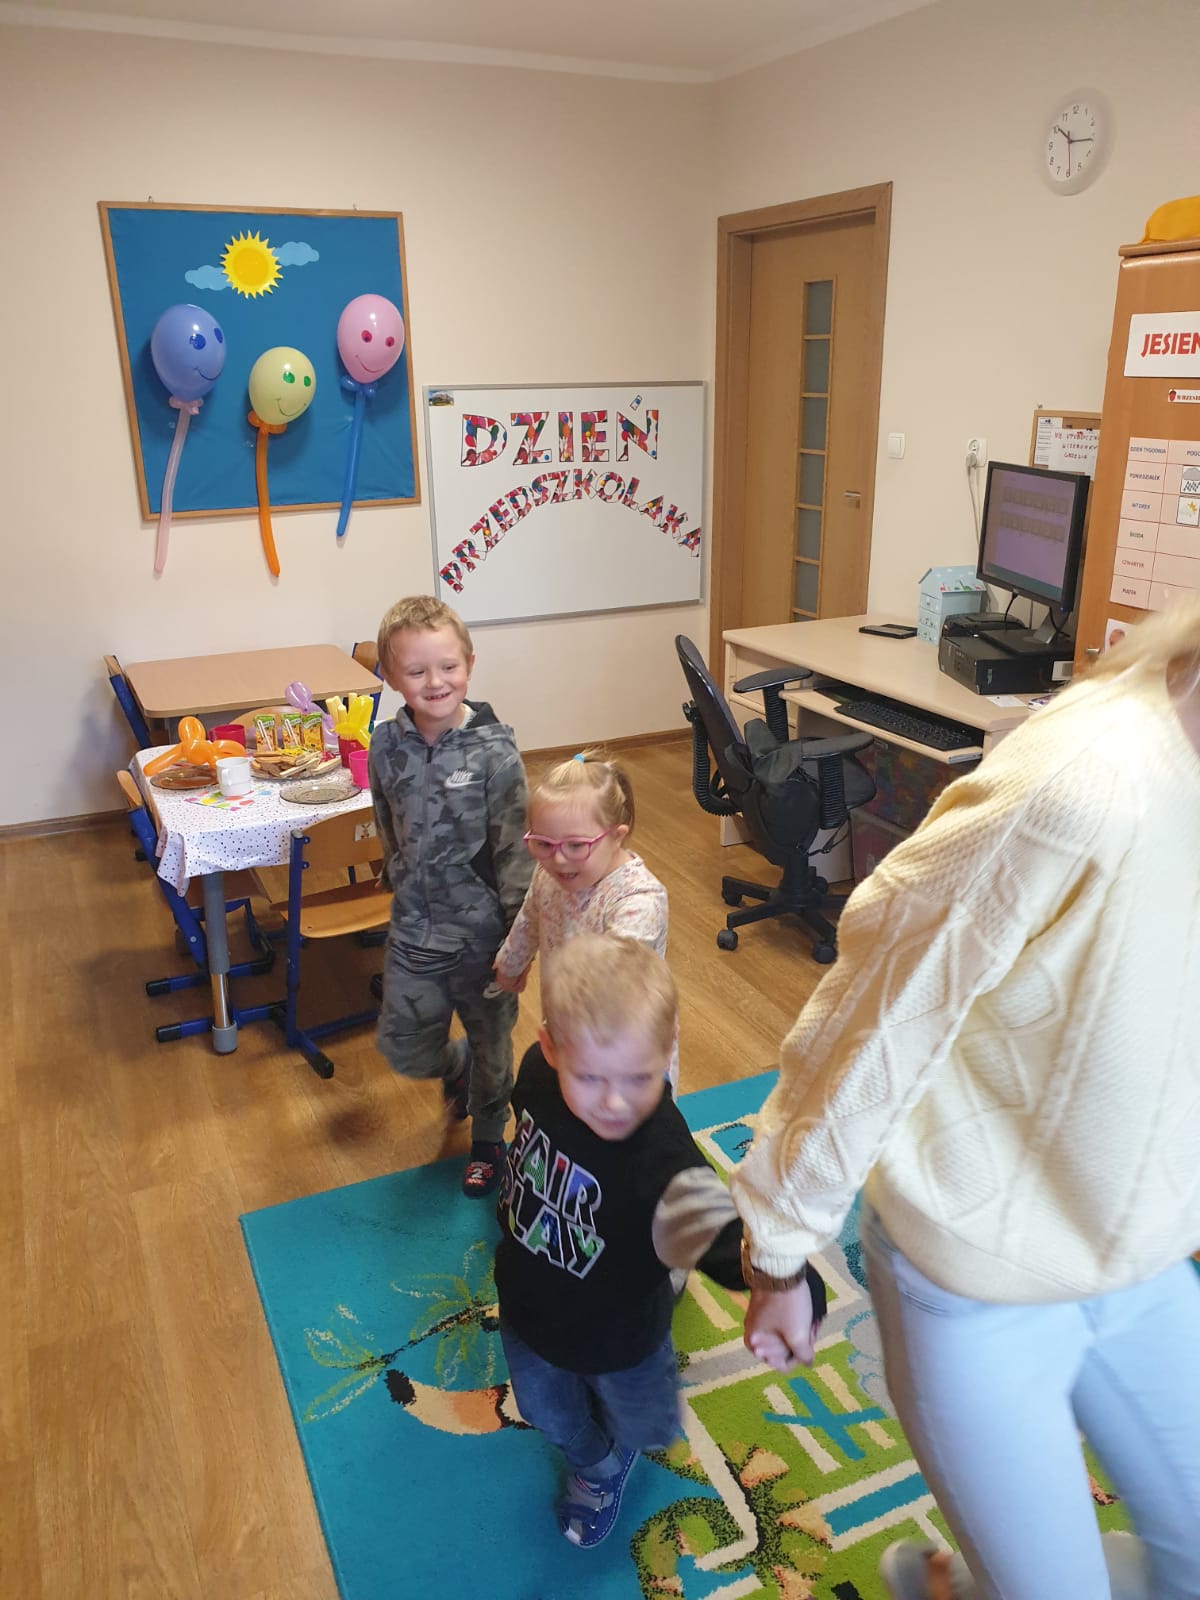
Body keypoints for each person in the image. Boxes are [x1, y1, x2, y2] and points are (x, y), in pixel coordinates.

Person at [728, 597, 1200, 1600]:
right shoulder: (1082, 781)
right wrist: (777, 1247)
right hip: (976, 1266)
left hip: (1144, 1254)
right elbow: (878, 1011)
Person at [494, 932, 826, 1548]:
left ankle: (614, 1460)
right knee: (545, 1412)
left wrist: (793, 1287)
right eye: (589, 1076)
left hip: (622, 1334)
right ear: (550, 1047)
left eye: (638, 1077)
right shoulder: (538, 1073)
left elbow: (725, 1235)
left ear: (668, 1048)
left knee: (646, 1426)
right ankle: (595, 1464)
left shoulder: (660, 1157)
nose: (615, 1102)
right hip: (526, 1307)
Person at [368, 595, 533, 1198]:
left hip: (484, 935)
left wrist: (518, 942)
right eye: (416, 671)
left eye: (448, 666)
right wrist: (398, 875)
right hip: (415, 927)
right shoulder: (386, 746)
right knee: (406, 1048)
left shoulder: (495, 754)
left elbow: (517, 852)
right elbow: (386, 819)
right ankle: (454, 1068)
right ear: (392, 677)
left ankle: (489, 1138)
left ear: (469, 663)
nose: (435, 682)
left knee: (492, 1044)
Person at [492, 749, 678, 1087]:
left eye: (576, 846)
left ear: (617, 836)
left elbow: (612, 987)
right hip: (569, 1036)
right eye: (543, 844)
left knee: (619, 1118)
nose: (558, 859)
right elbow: (530, 917)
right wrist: (511, 963)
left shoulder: (638, 901)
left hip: (625, 1053)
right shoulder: (548, 875)